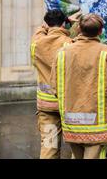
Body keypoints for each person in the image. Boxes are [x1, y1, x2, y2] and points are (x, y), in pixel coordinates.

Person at [50, 13, 107, 159]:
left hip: (71, 118)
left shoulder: (63, 52)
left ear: (79, 29)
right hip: (97, 120)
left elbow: (54, 85)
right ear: (100, 31)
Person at [30, 9, 72, 159]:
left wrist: (50, 25)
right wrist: (71, 25)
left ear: (47, 24)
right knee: (79, 148)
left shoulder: (36, 43)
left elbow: (40, 29)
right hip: (68, 105)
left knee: (49, 147)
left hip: (46, 105)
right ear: (64, 24)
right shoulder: (70, 44)